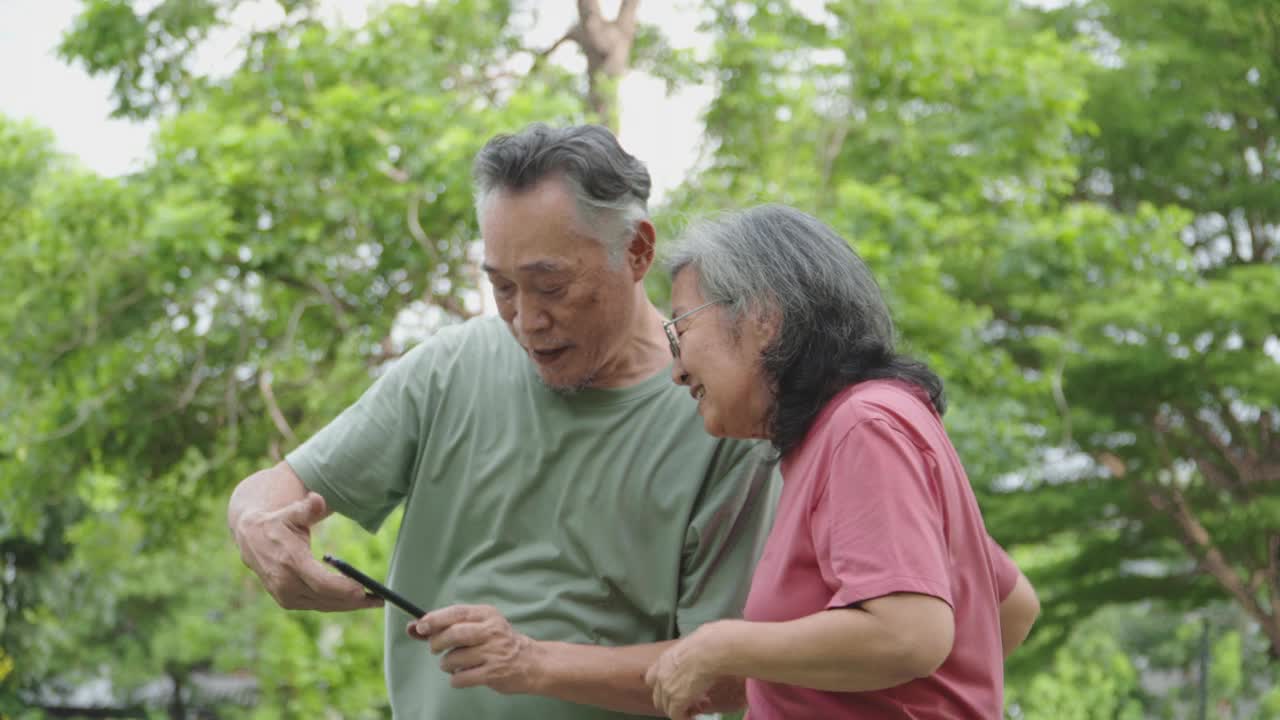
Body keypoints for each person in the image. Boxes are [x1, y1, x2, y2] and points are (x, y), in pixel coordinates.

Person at [227, 124, 776, 719]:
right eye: (502, 287)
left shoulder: (722, 416)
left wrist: (531, 663)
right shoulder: (450, 368)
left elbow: (726, 677)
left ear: (638, 251)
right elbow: (277, 484)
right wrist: (256, 525)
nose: (527, 320)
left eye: (551, 285)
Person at [644, 205, 1041, 719]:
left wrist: (721, 646)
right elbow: (1011, 605)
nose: (675, 369)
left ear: (764, 319)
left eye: (680, 327)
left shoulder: (863, 427)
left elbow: (910, 635)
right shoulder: (845, 433)